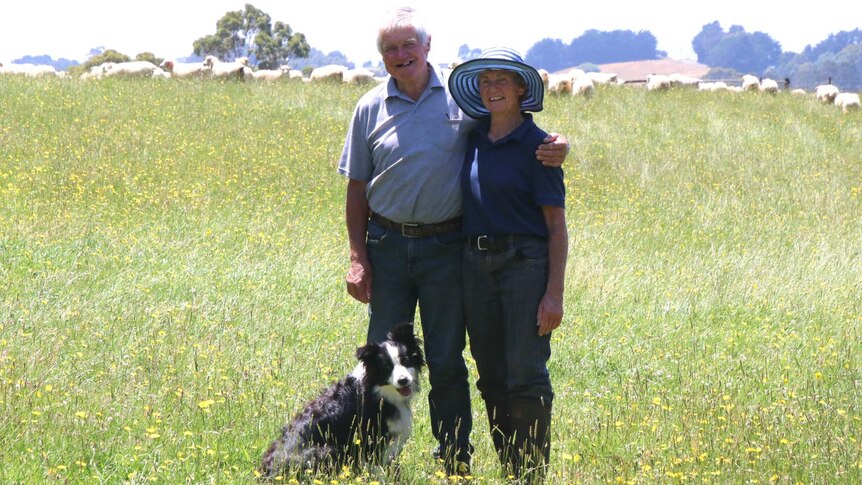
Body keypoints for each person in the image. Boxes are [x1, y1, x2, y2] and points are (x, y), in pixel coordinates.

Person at [337, 7, 569, 475]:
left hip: (447, 250)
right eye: (390, 49)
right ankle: (373, 457)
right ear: (381, 57)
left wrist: (560, 144)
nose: (400, 55)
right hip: (386, 247)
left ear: (427, 46)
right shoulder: (368, 107)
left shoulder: (465, 104)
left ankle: (454, 460)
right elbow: (356, 188)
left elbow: (516, 129)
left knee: (445, 361)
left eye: (408, 46)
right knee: (379, 359)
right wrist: (358, 257)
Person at [448, 47, 568, 482]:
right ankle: (511, 470)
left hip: (524, 265)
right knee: (491, 378)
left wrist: (554, 293)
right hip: (474, 266)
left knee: (525, 375)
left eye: (502, 80)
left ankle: (531, 475)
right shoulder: (472, 136)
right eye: (485, 81)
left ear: (521, 89)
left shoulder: (540, 147)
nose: (492, 88)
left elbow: (556, 225)